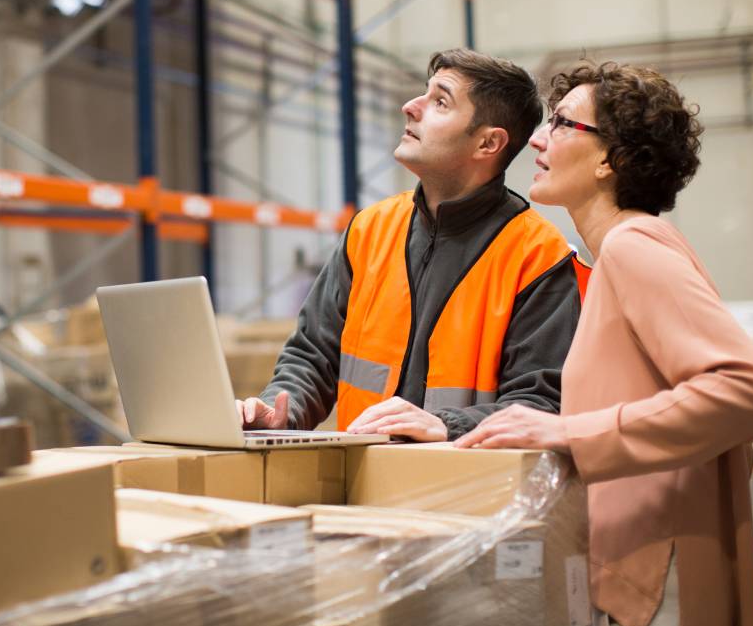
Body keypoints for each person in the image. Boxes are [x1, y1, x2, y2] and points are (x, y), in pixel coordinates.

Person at [455, 62, 753, 626]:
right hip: (642, 559)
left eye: (560, 125)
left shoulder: (635, 247)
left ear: (611, 159)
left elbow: (743, 390)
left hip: (659, 576)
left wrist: (567, 432)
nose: (537, 138)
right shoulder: (619, 254)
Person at [237, 48, 586, 441]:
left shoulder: (537, 256)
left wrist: (447, 425)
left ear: (488, 144)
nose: (410, 107)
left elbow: (540, 403)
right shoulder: (370, 230)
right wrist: (281, 410)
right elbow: (312, 355)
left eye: (440, 101)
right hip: (359, 486)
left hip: (468, 492)